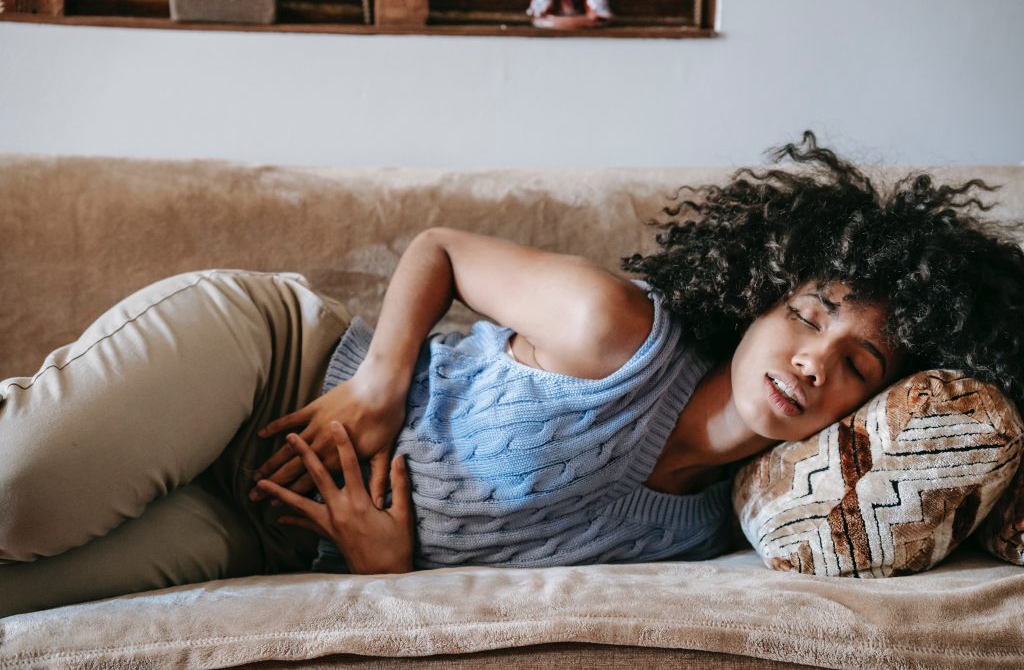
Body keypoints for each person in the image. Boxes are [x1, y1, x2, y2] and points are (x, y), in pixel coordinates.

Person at [2, 131, 1023, 616]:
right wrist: (376, 387)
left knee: (25, 597)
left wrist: (383, 572)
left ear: (872, 402)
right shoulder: (618, 329)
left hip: (256, 520)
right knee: (19, 496)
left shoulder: (713, 530)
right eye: (808, 312)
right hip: (268, 365)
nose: (813, 358)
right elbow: (437, 247)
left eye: (859, 362)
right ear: (761, 298)